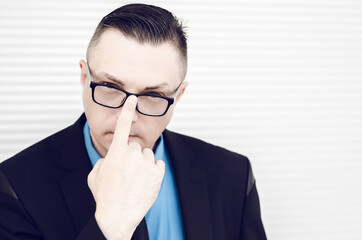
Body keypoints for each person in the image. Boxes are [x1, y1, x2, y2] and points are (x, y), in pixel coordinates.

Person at [0, 3, 267, 240]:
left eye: (153, 95)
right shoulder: (14, 187)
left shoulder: (233, 175)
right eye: (110, 86)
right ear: (85, 78)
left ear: (178, 96)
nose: (127, 115)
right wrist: (109, 227)